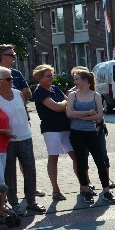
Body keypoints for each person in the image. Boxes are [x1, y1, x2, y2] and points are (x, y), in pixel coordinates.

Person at [0, 67, 43, 214]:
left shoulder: (18, 93)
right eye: (8, 79)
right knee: (9, 172)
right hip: (6, 139)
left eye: (11, 78)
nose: (12, 80)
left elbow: (25, 111)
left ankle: (31, 201)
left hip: (25, 136)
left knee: (30, 169)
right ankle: (14, 203)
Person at [66, 68, 114, 202]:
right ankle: (85, 190)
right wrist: (88, 113)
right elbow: (69, 114)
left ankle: (106, 191)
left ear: (85, 81)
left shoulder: (96, 95)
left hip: (92, 132)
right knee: (81, 162)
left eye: (77, 79)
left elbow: (99, 116)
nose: (74, 82)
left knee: (100, 161)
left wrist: (80, 116)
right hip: (76, 133)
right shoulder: (73, 95)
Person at [32, 64, 77, 201]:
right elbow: (57, 107)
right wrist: (64, 103)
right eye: (48, 76)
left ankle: (84, 183)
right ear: (40, 78)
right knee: (54, 157)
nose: (51, 78)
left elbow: (68, 103)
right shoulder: (39, 91)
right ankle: (55, 189)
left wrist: (64, 103)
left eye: (52, 75)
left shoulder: (55, 88)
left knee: (75, 155)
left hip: (65, 126)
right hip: (51, 129)